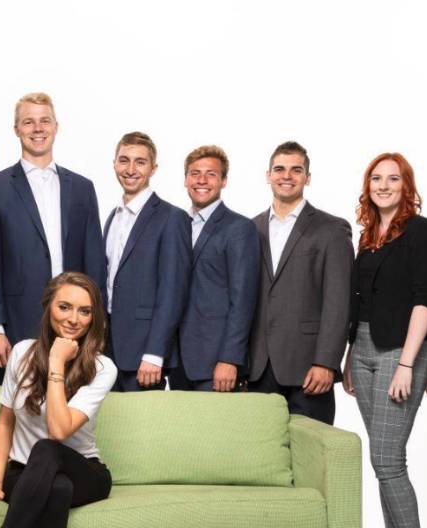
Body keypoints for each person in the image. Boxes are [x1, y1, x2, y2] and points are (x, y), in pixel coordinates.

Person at [0, 93, 107, 379]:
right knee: (21, 411)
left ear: (56, 127)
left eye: (44, 121)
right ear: (17, 130)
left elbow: (94, 261)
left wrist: (97, 324)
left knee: (70, 411)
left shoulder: (83, 188)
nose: (37, 128)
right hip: (19, 323)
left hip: (75, 326)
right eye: (28, 122)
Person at [0, 272, 116, 528]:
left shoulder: (102, 367)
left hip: (84, 472)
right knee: (58, 489)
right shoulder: (22, 352)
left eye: (84, 311)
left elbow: (58, 431)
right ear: (48, 307)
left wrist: (56, 361)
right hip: (24, 470)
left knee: (47, 448)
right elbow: (5, 423)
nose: (73, 319)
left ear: (94, 318)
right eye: (64, 307)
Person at [342, 153, 427, 528]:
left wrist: (407, 365)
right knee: (383, 461)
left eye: (393, 179)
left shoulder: (421, 230)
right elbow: (361, 301)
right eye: (376, 178)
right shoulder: (368, 235)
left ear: (406, 185)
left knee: (387, 458)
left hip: (402, 348)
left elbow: (425, 299)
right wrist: (349, 356)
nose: (383, 186)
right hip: (362, 349)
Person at [249, 141, 353, 425]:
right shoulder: (249, 229)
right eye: (280, 169)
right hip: (258, 366)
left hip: (308, 366)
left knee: (310, 457)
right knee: (260, 457)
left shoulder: (331, 229)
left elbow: (339, 302)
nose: (287, 176)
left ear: (307, 177)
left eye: (296, 170)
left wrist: (326, 362)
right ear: (268, 175)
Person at [103, 132, 190, 391]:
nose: (130, 169)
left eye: (140, 162)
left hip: (144, 354)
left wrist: (154, 353)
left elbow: (173, 292)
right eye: (124, 160)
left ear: (153, 168)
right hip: (109, 351)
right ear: (114, 164)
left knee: (140, 429)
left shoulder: (171, 218)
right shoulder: (112, 216)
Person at [170, 145, 260, 392]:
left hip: (216, 362)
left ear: (223, 181)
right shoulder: (174, 224)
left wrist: (230, 359)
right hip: (177, 361)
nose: (201, 180)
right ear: (186, 179)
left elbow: (243, 300)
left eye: (210, 174)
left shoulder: (239, 229)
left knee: (212, 430)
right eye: (194, 173)